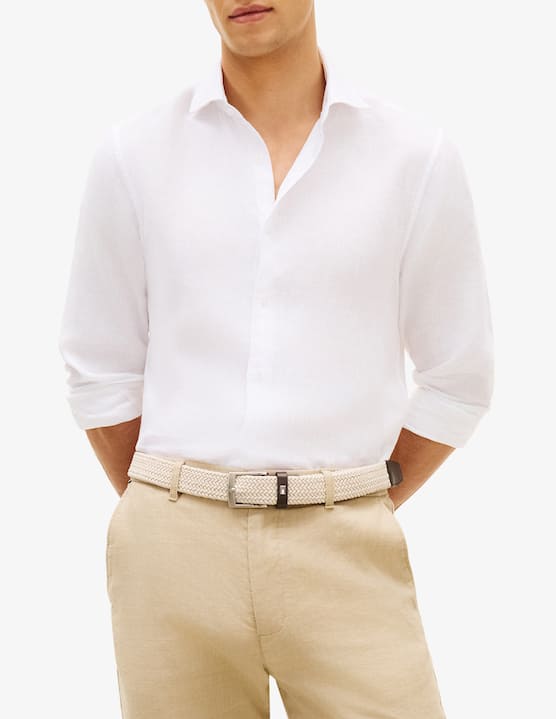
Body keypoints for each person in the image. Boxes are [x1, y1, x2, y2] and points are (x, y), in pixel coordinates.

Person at [58, 1, 494, 717]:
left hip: (345, 545)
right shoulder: (134, 155)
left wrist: (357, 502)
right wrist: (169, 506)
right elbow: (100, 369)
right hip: (172, 555)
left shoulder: (413, 158)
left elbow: (458, 378)